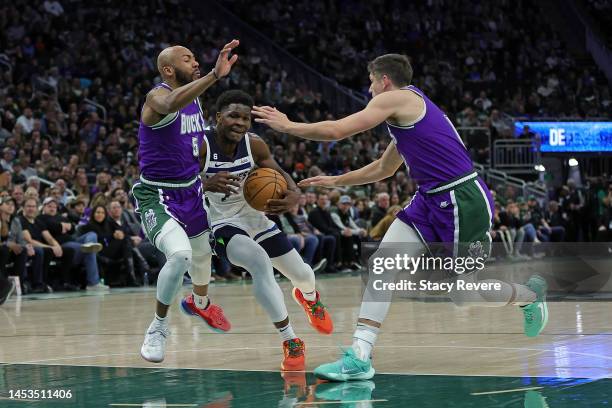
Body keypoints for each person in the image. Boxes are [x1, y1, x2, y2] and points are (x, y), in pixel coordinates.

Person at [253, 53, 548, 381]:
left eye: (370, 81)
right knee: (382, 265)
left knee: (463, 294)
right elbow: (383, 169)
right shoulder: (405, 117)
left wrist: (288, 125)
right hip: (428, 200)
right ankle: (360, 357)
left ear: (384, 81)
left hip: (461, 200)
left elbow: (338, 130)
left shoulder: (398, 98)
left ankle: (529, 296)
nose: (368, 90)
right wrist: (334, 181)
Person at [195, 89, 334, 371]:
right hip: (221, 222)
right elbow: (176, 184)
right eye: (234, 116)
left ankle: (308, 298)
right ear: (219, 117)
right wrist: (202, 184)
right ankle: (291, 340)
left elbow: (280, 173)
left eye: (246, 118)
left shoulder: (255, 145)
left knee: (304, 275)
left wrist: (294, 193)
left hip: (256, 217)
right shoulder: (201, 146)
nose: (240, 123)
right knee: (259, 262)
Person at [134, 40, 238, 363]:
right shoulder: (157, 96)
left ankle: (201, 303)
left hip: (191, 190)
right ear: (168, 69)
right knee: (179, 255)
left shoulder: (195, 104)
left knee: (203, 254)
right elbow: (168, 105)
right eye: (187, 58)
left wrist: (207, 178)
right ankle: (158, 327)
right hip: (158, 195)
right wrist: (213, 76)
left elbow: (194, 148)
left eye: (195, 58)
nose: (195, 62)